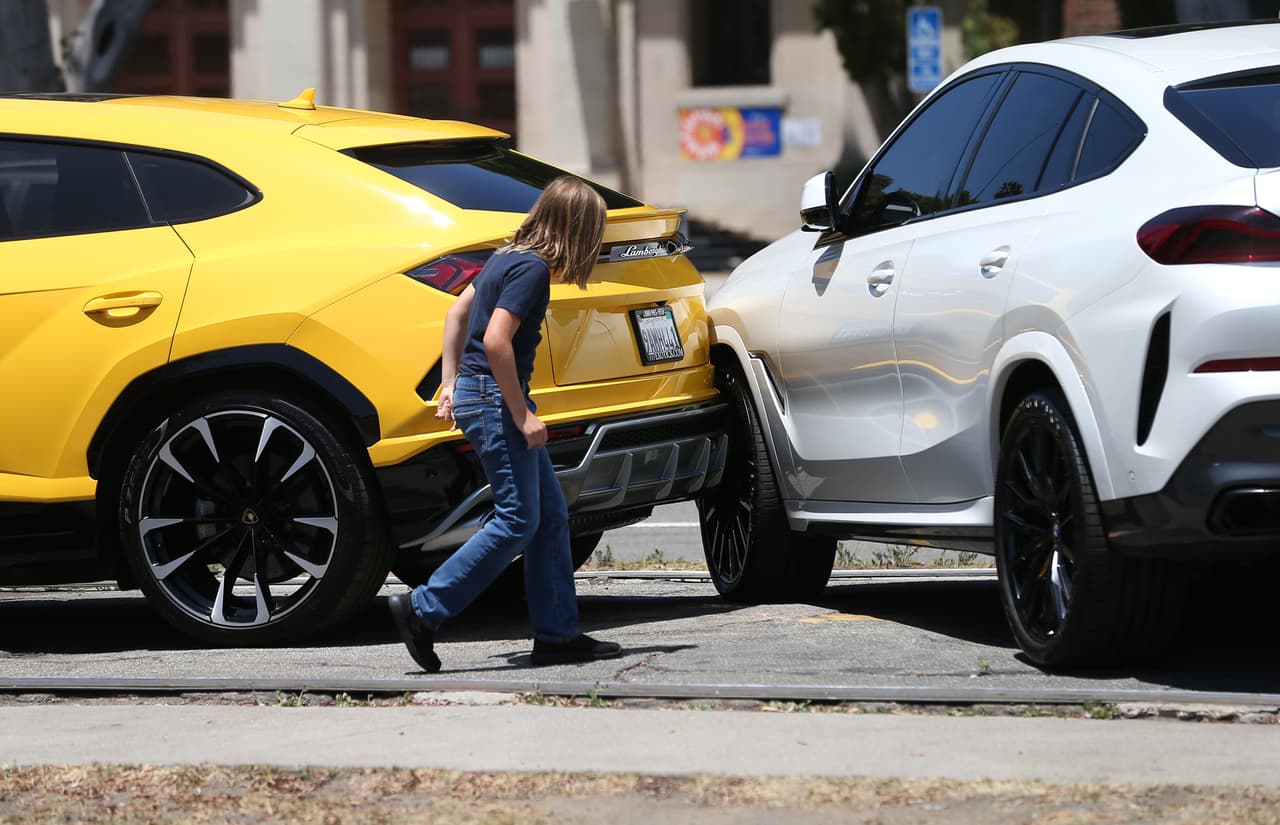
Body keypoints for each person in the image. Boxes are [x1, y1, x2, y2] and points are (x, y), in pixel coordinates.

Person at [389, 176, 622, 672]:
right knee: (518, 519)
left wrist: (450, 383)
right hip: (498, 402)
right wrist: (522, 413)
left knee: (550, 518)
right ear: (576, 231)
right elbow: (496, 341)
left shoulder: (503, 258)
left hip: (479, 394)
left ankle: (558, 636)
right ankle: (424, 609)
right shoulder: (532, 269)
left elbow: (457, 313)